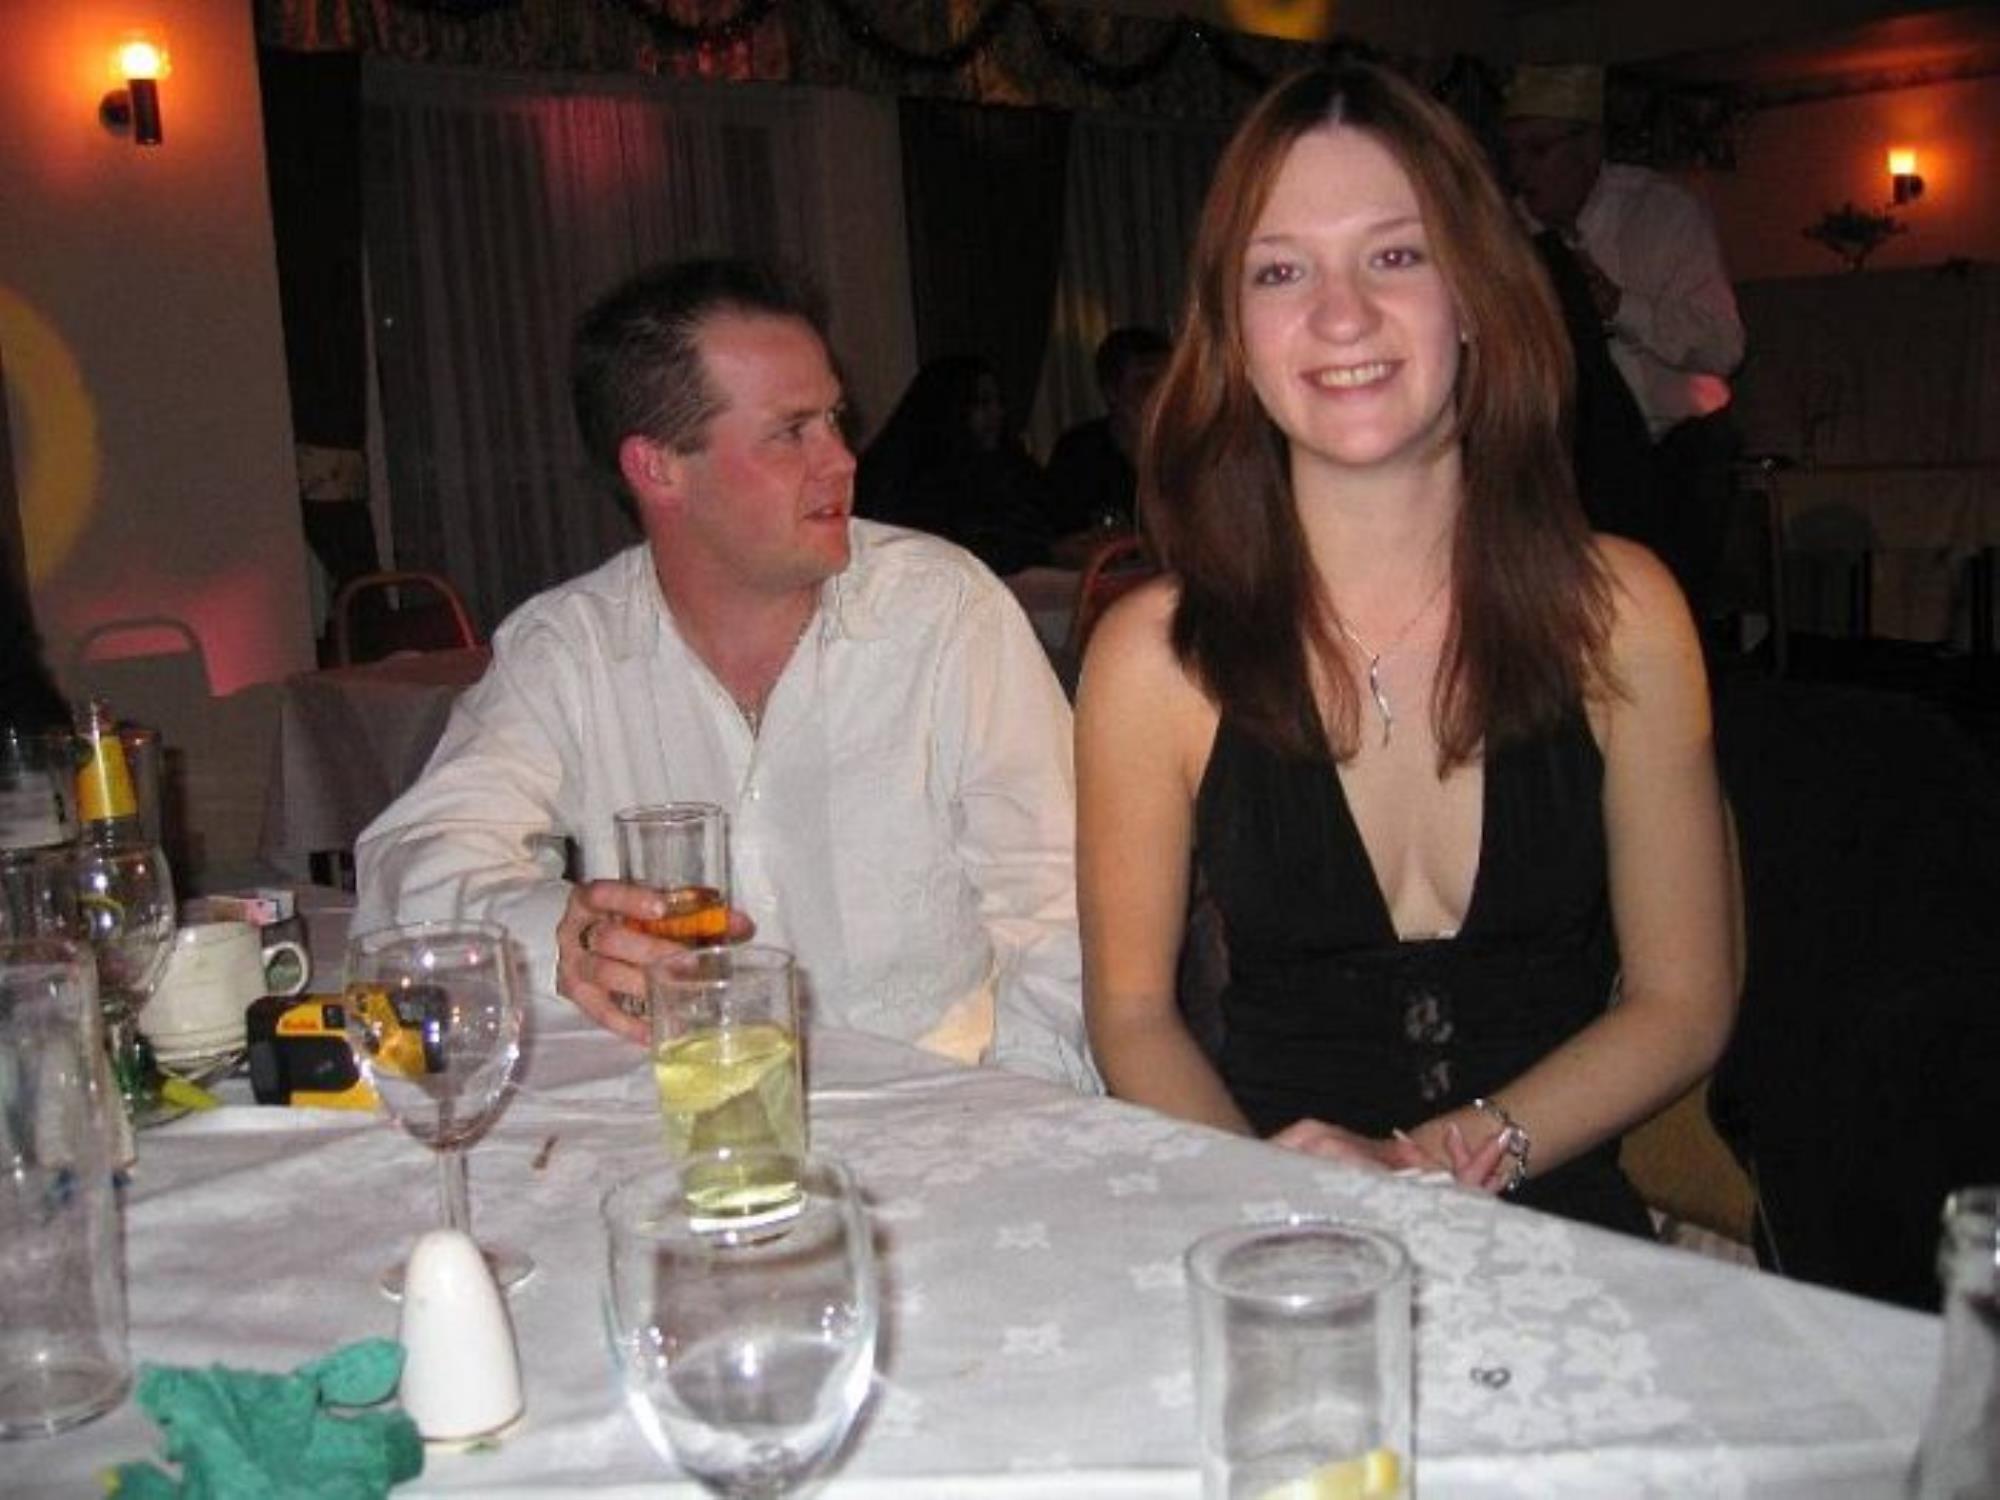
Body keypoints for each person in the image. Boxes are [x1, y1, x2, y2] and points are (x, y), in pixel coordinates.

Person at [1076, 63, 1737, 1234]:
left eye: (1393, 255)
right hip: (1272, 1213)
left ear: (1474, 294)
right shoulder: (1150, 660)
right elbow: (1131, 1015)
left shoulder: (1622, 613)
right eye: (1280, 271)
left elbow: (1682, 1000)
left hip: (1551, 1211)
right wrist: (1284, 1210)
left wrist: (1430, 1157)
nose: (1340, 315)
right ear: (1232, 332)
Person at [356, 258, 1095, 1089]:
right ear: (658, 468)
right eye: (792, 432)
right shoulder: (572, 648)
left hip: (947, 1095)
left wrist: (1017, 1100)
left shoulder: (944, 610)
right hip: (691, 1106)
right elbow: (408, 863)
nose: (841, 460)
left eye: (834, 420)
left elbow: (1063, 905)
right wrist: (559, 933)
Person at [1501, 63, 1746, 622]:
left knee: (1665, 606)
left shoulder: (1662, 213)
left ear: (1589, 147)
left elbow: (1724, 346)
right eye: (1512, 152)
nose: (1520, 171)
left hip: (1675, 448)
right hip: (1573, 455)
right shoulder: (1510, 231)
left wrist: (1616, 306)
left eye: (1537, 151)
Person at [854, 356, 1059, 577]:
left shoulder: (1010, 467)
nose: (997, 413)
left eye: (999, 402)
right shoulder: (912, 484)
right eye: (982, 403)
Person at [1043, 326, 1172, 544]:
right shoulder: (1079, 454)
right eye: (1146, 383)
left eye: (1169, 382)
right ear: (1112, 391)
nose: (1162, 394)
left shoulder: (1187, 451)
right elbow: (1060, 541)